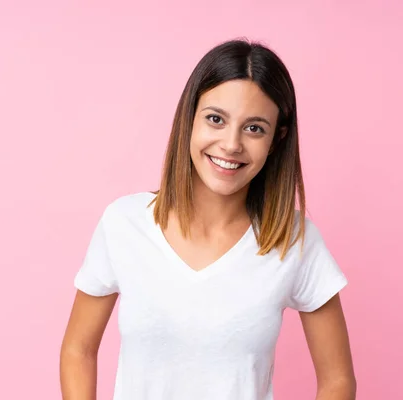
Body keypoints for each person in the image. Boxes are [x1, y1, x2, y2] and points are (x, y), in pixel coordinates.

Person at [60, 39, 356, 400]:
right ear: (190, 118)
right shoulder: (124, 223)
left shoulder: (293, 239)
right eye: (216, 119)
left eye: (254, 128)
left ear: (276, 140)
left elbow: (337, 380)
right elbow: (78, 350)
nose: (231, 144)